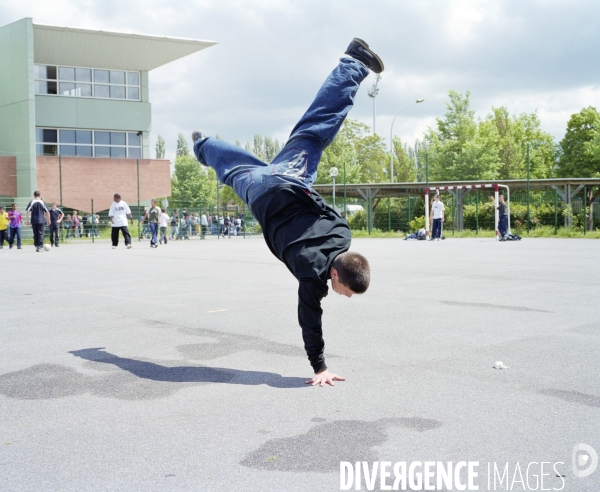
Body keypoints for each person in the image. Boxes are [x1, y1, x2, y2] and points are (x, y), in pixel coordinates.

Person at [191, 38, 381, 386]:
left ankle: (354, 62)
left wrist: (299, 183)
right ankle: (202, 146)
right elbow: (310, 321)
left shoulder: (343, 235)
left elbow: (321, 205)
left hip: (291, 178)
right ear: (335, 277)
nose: (345, 298)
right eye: (348, 292)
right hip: (260, 192)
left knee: (317, 126)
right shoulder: (312, 278)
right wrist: (319, 367)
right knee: (232, 170)